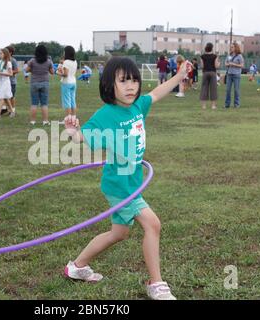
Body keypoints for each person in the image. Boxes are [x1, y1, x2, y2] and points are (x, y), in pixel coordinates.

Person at [63, 57, 192, 301]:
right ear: (109, 85)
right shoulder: (106, 115)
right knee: (153, 224)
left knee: (119, 233)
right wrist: (71, 131)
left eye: (134, 80)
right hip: (120, 185)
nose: (131, 86)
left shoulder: (137, 107)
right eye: (123, 81)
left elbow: (156, 93)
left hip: (130, 182)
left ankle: (77, 267)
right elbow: (81, 138)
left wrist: (179, 76)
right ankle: (156, 284)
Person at [26, 44, 54, 125]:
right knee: (44, 104)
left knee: (34, 103)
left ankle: (33, 121)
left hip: (34, 83)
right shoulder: (49, 61)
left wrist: (33, 70)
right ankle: (45, 121)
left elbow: (27, 70)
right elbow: (52, 72)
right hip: (45, 83)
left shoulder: (32, 61)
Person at [0, 48, 14, 119]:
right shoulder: (0, 62)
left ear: (5, 54)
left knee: (2, 97)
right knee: (5, 98)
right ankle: (12, 112)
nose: (0, 55)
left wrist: (0, 73)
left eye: (1, 53)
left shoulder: (8, 63)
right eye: (0, 53)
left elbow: (11, 74)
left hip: (6, 82)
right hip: (1, 82)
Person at [57, 46, 78, 120]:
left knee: (67, 101)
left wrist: (59, 73)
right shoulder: (75, 61)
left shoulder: (66, 62)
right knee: (73, 100)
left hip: (66, 83)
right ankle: (73, 118)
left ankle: (68, 119)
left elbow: (65, 74)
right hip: (73, 82)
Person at [200, 43, 220, 110]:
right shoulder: (215, 56)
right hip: (212, 73)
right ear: (212, 48)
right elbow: (216, 66)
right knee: (213, 89)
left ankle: (204, 106)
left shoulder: (202, 56)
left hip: (205, 73)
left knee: (204, 89)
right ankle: (213, 106)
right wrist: (219, 63)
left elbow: (202, 66)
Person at [0, 46, 19, 115]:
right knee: (4, 96)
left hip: (12, 82)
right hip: (4, 81)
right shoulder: (3, 60)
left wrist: (8, 72)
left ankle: (13, 110)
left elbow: (17, 70)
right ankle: (5, 109)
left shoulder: (13, 60)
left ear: (10, 53)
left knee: (11, 97)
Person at [225, 43, 244, 109]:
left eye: (232, 47)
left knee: (236, 90)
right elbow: (226, 63)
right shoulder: (228, 55)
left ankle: (236, 104)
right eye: (230, 47)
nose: (231, 48)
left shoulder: (239, 56)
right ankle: (227, 105)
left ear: (236, 48)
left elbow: (242, 65)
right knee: (228, 90)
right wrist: (228, 64)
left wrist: (233, 64)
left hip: (236, 75)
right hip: (229, 74)